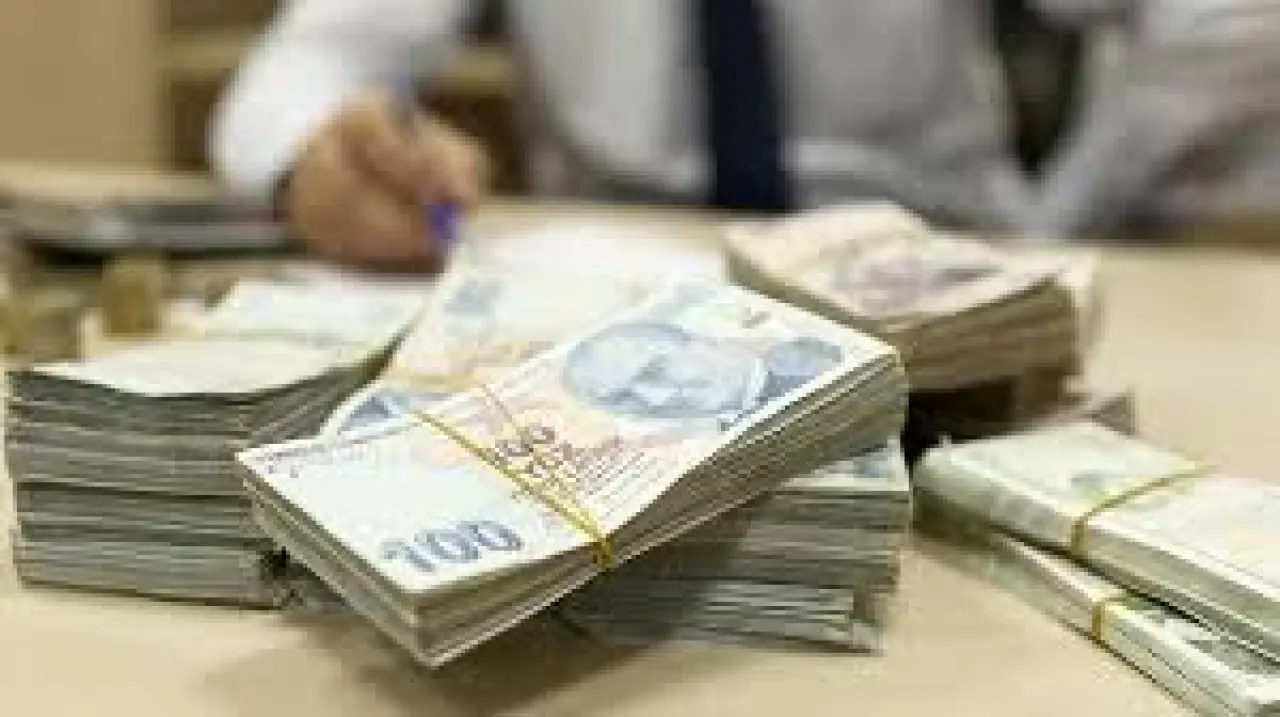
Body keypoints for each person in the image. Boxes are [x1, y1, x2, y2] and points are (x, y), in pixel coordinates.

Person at [211, 0, 1070, 270]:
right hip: (620, 276)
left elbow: (1160, 32)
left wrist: (1067, 220)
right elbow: (303, 65)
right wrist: (318, 158)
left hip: (938, 251)